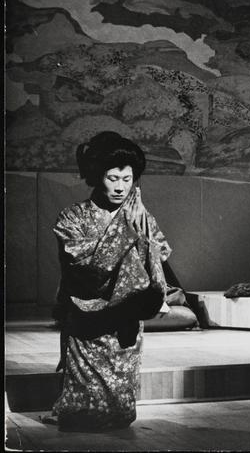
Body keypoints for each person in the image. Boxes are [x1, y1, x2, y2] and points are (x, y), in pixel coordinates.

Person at [46, 131, 169, 431]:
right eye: (112, 178)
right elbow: (84, 267)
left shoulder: (141, 216)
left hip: (125, 321)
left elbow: (161, 251)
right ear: (97, 176)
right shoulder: (73, 218)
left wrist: (144, 236)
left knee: (120, 412)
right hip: (87, 320)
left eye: (127, 179)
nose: (120, 187)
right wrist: (127, 228)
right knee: (83, 413)